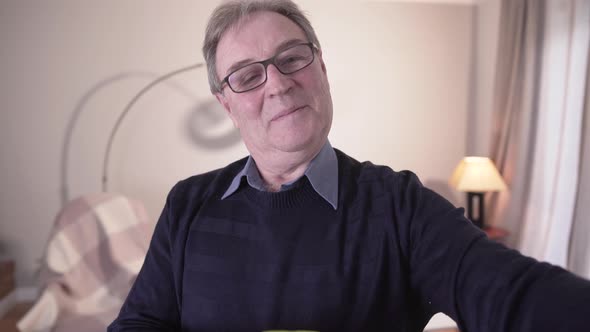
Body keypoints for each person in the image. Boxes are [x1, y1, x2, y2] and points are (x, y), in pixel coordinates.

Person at [108, 1, 590, 331]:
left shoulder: (398, 203)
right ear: (226, 105)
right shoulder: (187, 204)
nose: (277, 84)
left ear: (321, 70)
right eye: (248, 75)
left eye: (291, 58)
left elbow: (510, 292)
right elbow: (138, 323)